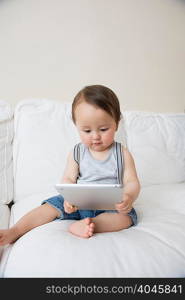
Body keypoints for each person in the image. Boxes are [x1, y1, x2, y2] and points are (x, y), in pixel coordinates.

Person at [0, 85, 140, 243]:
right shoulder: (77, 152)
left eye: (103, 129)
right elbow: (68, 178)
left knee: (126, 218)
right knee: (49, 207)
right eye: (87, 131)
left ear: (117, 123)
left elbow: (132, 181)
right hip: (78, 202)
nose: (95, 136)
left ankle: (90, 224)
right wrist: (68, 198)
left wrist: (128, 197)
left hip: (109, 204)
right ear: (76, 126)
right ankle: (16, 230)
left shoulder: (122, 153)